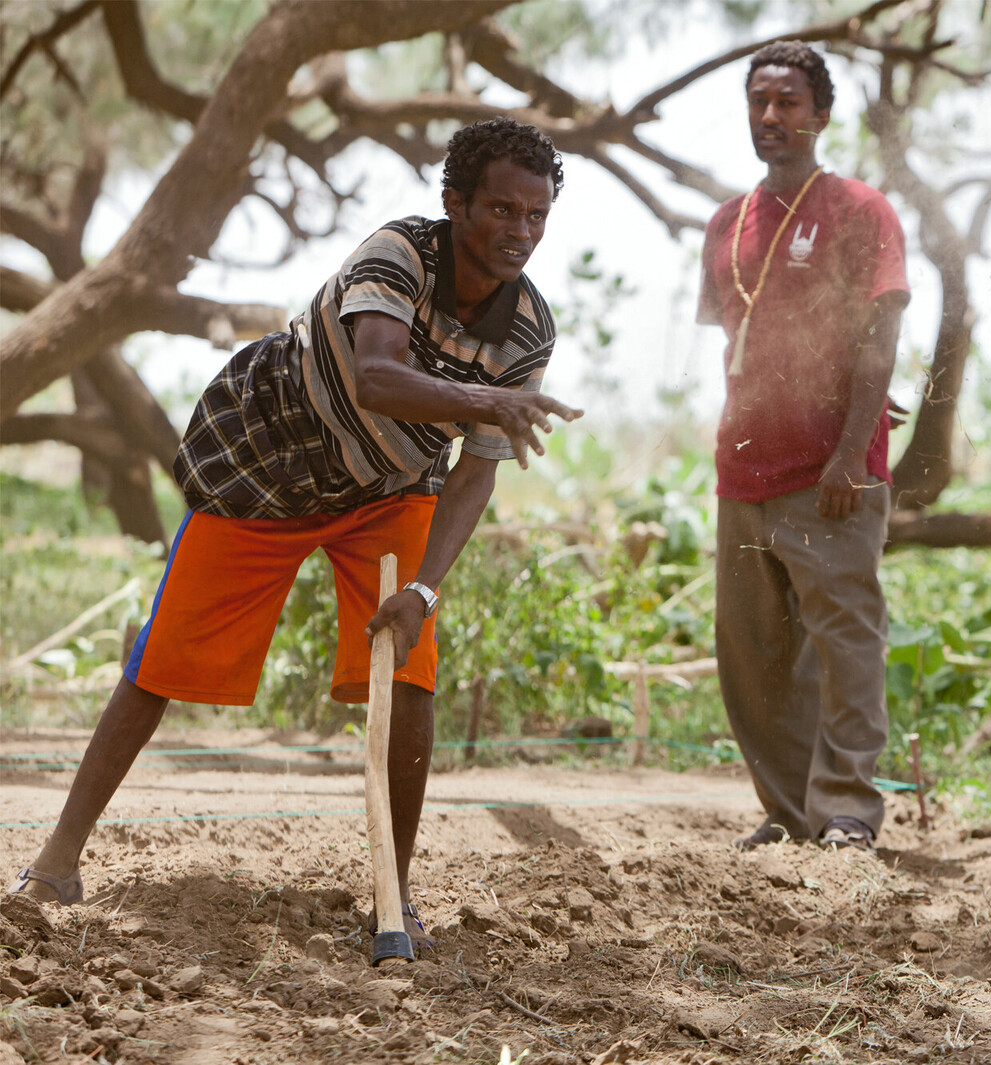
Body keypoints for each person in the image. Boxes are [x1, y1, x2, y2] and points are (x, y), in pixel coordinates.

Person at [10, 118, 582, 949]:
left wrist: (422, 589)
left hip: (387, 489)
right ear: (456, 204)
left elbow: (476, 472)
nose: (519, 232)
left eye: (536, 216)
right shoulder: (398, 254)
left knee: (411, 668)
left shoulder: (528, 329)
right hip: (265, 463)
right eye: (500, 209)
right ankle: (58, 858)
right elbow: (380, 377)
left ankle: (396, 892)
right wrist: (490, 401)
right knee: (160, 660)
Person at [696, 41, 911, 853]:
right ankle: (791, 811)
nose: (771, 116)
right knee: (752, 658)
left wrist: (851, 455)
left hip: (832, 474)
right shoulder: (727, 222)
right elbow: (736, 338)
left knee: (845, 642)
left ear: (821, 115)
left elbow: (879, 336)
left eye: (788, 102)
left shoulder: (860, 210)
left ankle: (848, 807)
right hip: (741, 470)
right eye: (759, 101)